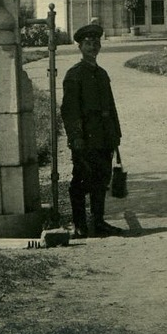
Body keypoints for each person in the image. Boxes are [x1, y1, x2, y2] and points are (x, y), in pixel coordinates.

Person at [60, 21, 125, 238]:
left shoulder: (102, 73)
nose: (93, 46)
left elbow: (111, 106)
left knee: (101, 180)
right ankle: (80, 225)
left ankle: (98, 222)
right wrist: (75, 137)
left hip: (104, 135)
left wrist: (116, 133)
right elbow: (69, 111)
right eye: (88, 43)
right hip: (86, 137)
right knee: (81, 180)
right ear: (79, 46)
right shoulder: (74, 75)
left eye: (96, 42)